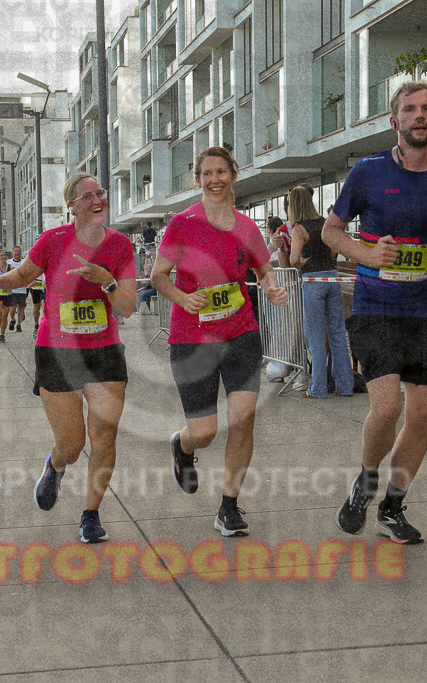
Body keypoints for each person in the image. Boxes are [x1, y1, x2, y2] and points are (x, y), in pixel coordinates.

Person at [321, 82, 427, 544]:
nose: (419, 116)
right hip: (376, 306)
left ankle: (391, 507)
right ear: (395, 122)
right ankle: (366, 480)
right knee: (387, 407)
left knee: (420, 416)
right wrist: (366, 255)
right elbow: (332, 232)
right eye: (409, 109)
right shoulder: (369, 172)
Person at [0, 173, 136, 542]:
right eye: (86, 196)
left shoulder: (120, 245)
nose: (96, 200)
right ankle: (55, 466)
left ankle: (91, 514)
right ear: (70, 206)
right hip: (57, 350)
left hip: (104, 350)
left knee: (104, 436)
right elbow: (22, 274)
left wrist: (107, 280)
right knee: (72, 444)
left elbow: (128, 306)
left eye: (99, 193)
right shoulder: (53, 241)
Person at [150, 146, 288, 537]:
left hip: (240, 331)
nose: (215, 180)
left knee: (242, 419)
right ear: (198, 180)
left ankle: (229, 506)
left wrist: (273, 288)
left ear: (233, 175)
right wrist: (181, 297)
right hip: (192, 336)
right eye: (207, 173)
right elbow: (158, 275)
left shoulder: (246, 227)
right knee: (206, 431)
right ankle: (184, 445)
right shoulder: (181, 224)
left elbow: (264, 269)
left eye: (221, 172)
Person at [288, 185, 354, 399]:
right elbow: (334, 249)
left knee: (316, 337)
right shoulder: (326, 224)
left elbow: (293, 260)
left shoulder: (299, 229)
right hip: (332, 278)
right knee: (337, 334)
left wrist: (305, 261)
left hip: (313, 281)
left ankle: (318, 388)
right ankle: (344, 386)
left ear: (294, 204)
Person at [7, 245, 28, 333]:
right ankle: (12, 319)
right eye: (15, 251)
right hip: (12, 289)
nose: (17, 253)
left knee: (21, 308)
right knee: (12, 307)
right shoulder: (8, 262)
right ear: (12, 253)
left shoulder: (24, 262)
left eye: (19, 251)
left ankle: (19, 325)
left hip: (23, 289)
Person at [29, 269, 46, 338]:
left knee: (45, 307)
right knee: (36, 307)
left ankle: (46, 326)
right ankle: (36, 326)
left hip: (45, 285)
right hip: (35, 286)